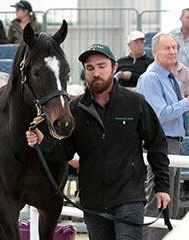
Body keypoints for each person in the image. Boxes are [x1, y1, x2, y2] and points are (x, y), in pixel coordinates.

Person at [26, 43, 170, 240]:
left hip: (129, 198)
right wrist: (42, 142)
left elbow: (157, 144)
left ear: (114, 68)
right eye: (90, 68)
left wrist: (162, 187)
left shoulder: (135, 102)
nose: (96, 73)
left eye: (102, 66)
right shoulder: (75, 108)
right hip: (93, 203)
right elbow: (65, 152)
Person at [136, 33, 189, 239]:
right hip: (161, 145)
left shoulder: (169, 78)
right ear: (154, 52)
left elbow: (174, 113)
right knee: (157, 203)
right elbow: (159, 115)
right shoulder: (150, 78)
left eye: (175, 47)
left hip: (174, 143)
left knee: (170, 203)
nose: (173, 51)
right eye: (167, 48)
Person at [170, 8, 189, 76]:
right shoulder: (171, 35)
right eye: (188, 17)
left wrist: (188, 75)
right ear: (181, 19)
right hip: (172, 75)